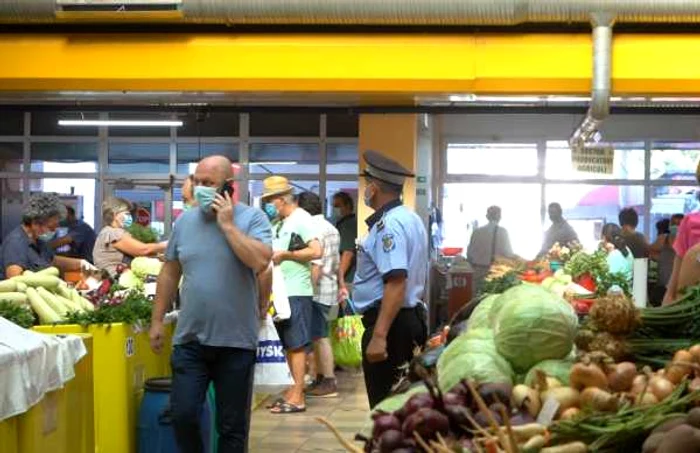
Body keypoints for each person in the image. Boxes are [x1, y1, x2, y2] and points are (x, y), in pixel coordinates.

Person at [149, 155, 272, 453]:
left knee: (232, 427)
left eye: (209, 183)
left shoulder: (252, 219)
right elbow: (170, 271)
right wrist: (157, 320)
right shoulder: (185, 221)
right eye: (197, 182)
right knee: (183, 415)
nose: (201, 188)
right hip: (190, 339)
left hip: (235, 342)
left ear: (228, 187)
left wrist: (228, 227)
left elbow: (260, 261)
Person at [353, 150, 428, 409]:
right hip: (406, 320)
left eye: (366, 184)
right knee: (402, 405)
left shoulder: (389, 226)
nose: (365, 190)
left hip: (391, 325)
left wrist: (379, 336)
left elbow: (396, 282)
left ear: (374, 187)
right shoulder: (410, 218)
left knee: (386, 407)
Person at [262, 176, 322, 414]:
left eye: (270, 200)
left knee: (297, 345)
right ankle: (290, 391)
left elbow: (316, 250)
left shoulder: (301, 219)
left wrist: (287, 255)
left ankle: (298, 396)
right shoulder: (280, 222)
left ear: (282, 199)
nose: (268, 204)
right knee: (288, 344)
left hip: (297, 291)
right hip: (281, 292)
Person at [297, 191, 340, 398]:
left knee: (320, 337)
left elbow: (316, 266)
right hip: (329, 289)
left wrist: (308, 291)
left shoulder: (313, 229)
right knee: (320, 335)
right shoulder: (331, 228)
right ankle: (322, 379)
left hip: (317, 291)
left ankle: (329, 380)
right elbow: (337, 262)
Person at [0, 193, 97, 279]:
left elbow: (52, 259)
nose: (54, 231)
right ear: (35, 222)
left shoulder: (38, 241)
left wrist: (81, 264)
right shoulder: (16, 244)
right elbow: (15, 280)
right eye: (51, 227)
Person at [93, 198, 167, 276]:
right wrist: (167, 245)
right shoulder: (112, 233)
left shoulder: (109, 231)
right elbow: (143, 250)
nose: (130, 217)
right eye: (127, 214)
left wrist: (160, 256)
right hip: (115, 281)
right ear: (114, 215)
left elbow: (140, 253)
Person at [467, 206, 515, 297]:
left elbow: (469, 254)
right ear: (500, 217)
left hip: (477, 271)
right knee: (491, 300)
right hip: (495, 272)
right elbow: (508, 253)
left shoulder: (476, 232)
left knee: (477, 300)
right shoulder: (502, 232)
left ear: (487, 216)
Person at [333, 192, 357, 299]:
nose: (336, 210)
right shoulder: (342, 223)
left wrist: (340, 279)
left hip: (347, 280)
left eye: (338, 206)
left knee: (346, 313)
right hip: (346, 278)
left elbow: (347, 253)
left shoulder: (349, 224)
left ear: (347, 206)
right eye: (334, 206)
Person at [650, 219, 677, 306]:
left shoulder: (686, 242)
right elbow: (650, 250)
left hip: (675, 286)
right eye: (674, 223)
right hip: (663, 285)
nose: (676, 227)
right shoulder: (663, 238)